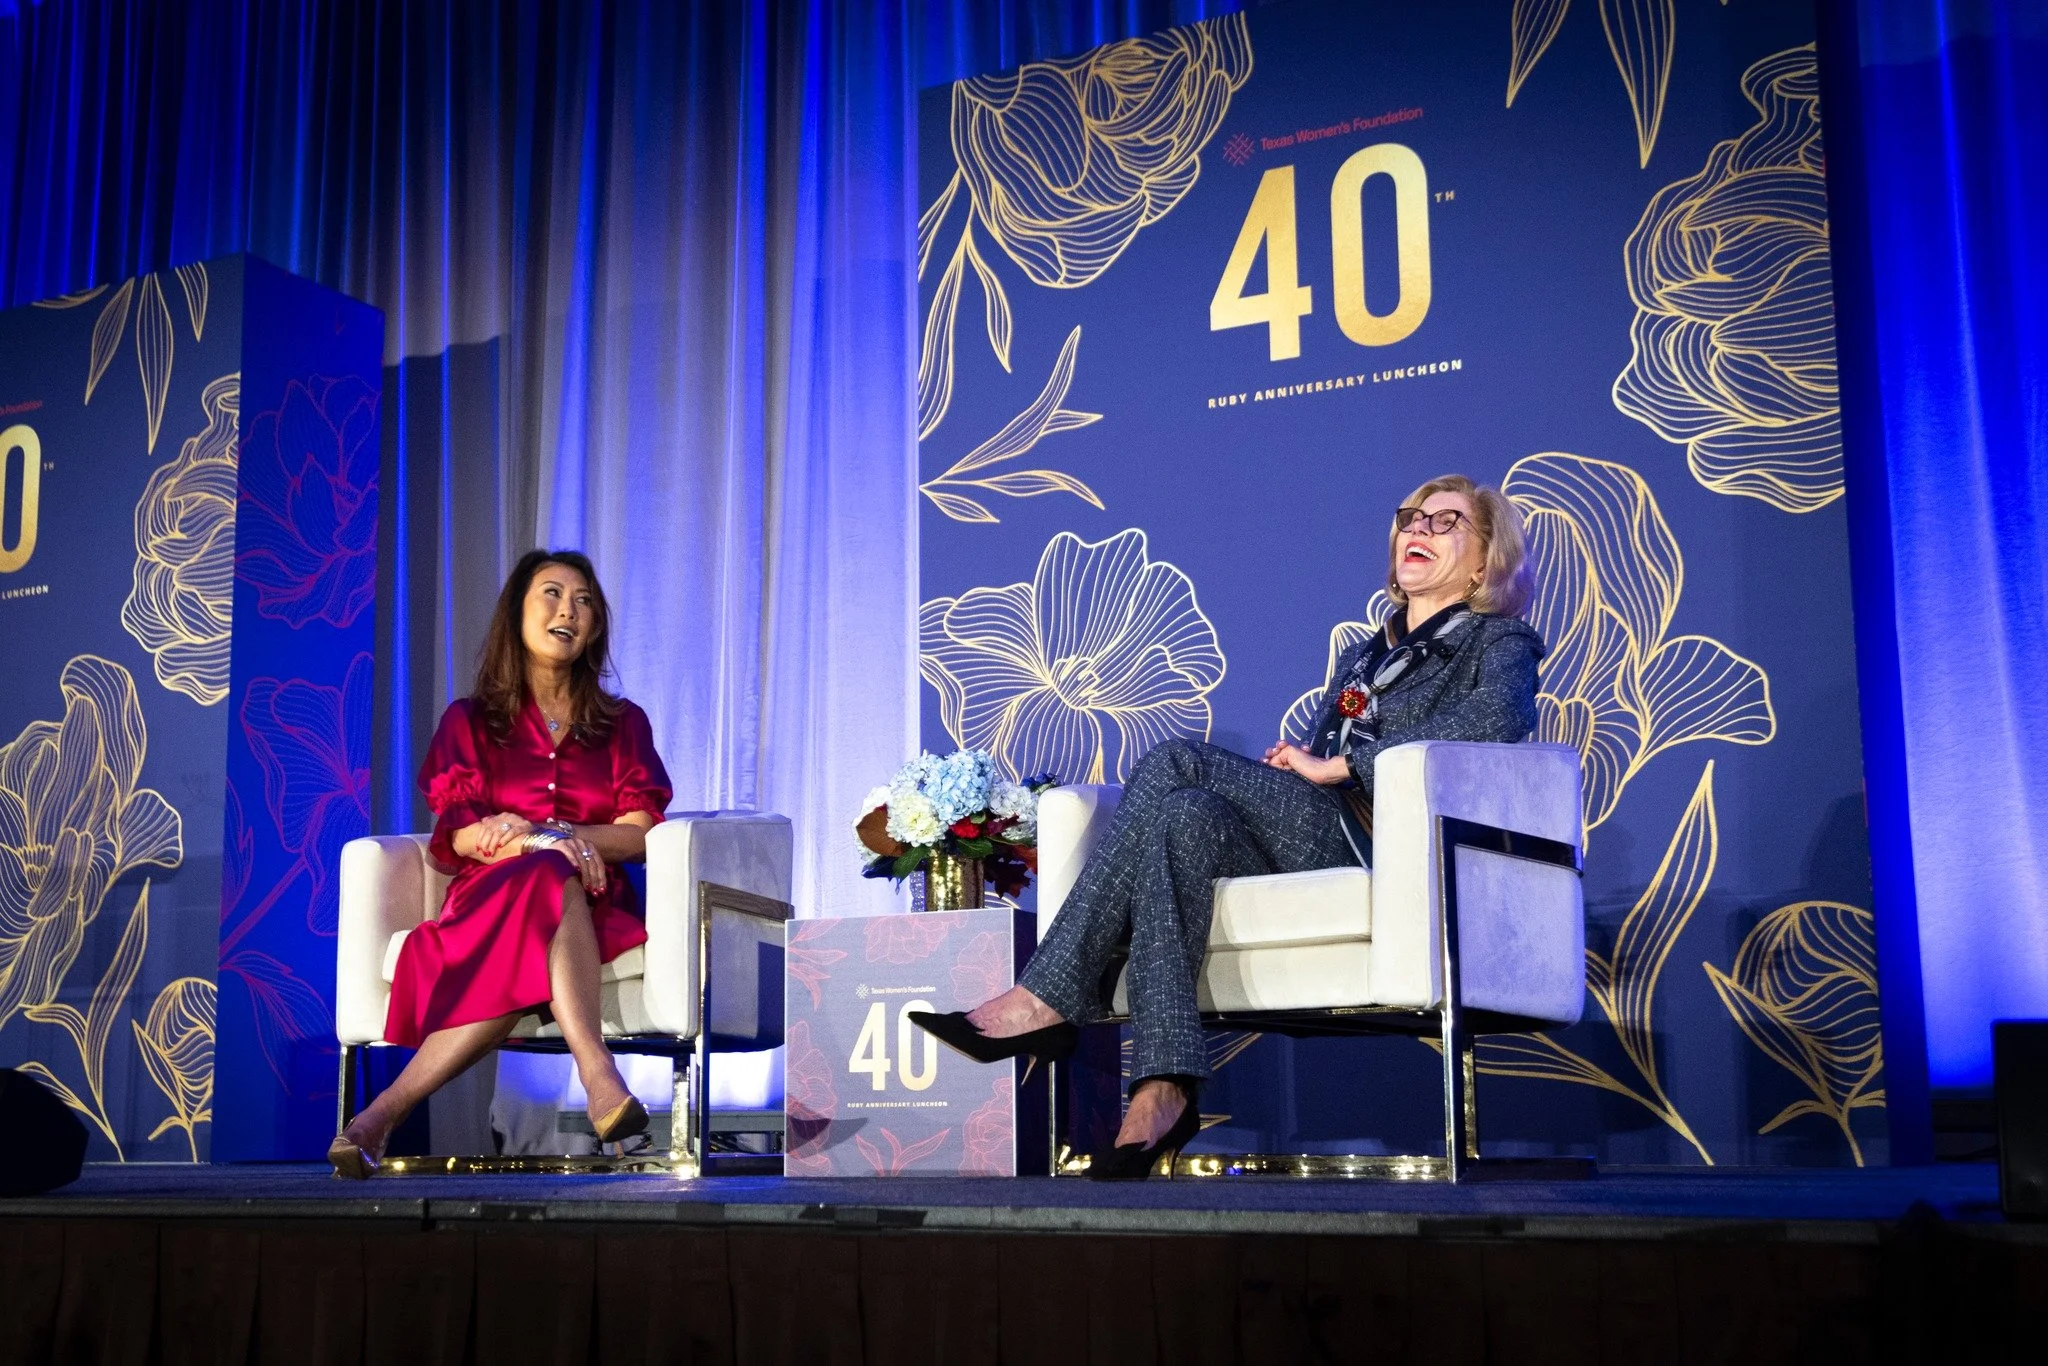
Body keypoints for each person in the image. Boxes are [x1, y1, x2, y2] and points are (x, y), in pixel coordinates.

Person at [912, 474, 1543, 1179]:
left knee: (1178, 761)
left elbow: (1496, 722)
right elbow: (1320, 750)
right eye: (1410, 517)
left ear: (1486, 561)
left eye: (1446, 521)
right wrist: (1295, 767)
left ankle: (1047, 994)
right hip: (1312, 827)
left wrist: (1341, 768)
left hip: (1378, 840)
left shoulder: (1499, 640)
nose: (1417, 529)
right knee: (1181, 817)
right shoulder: (1367, 652)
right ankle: (1163, 1090)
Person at [328, 550, 672, 1178]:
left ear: (595, 628)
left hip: (594, 897)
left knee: (554, 876)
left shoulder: (624, 724)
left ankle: (380, 1114)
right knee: (545, 875)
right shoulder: (470, 721)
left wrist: (561, 835)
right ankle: (599, 1074)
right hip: (489, 895)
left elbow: (642, 830)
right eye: (551, 592)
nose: (569, 608)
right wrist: (536, 845)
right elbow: (457, 834)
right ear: (517, 613)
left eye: (585, 600)